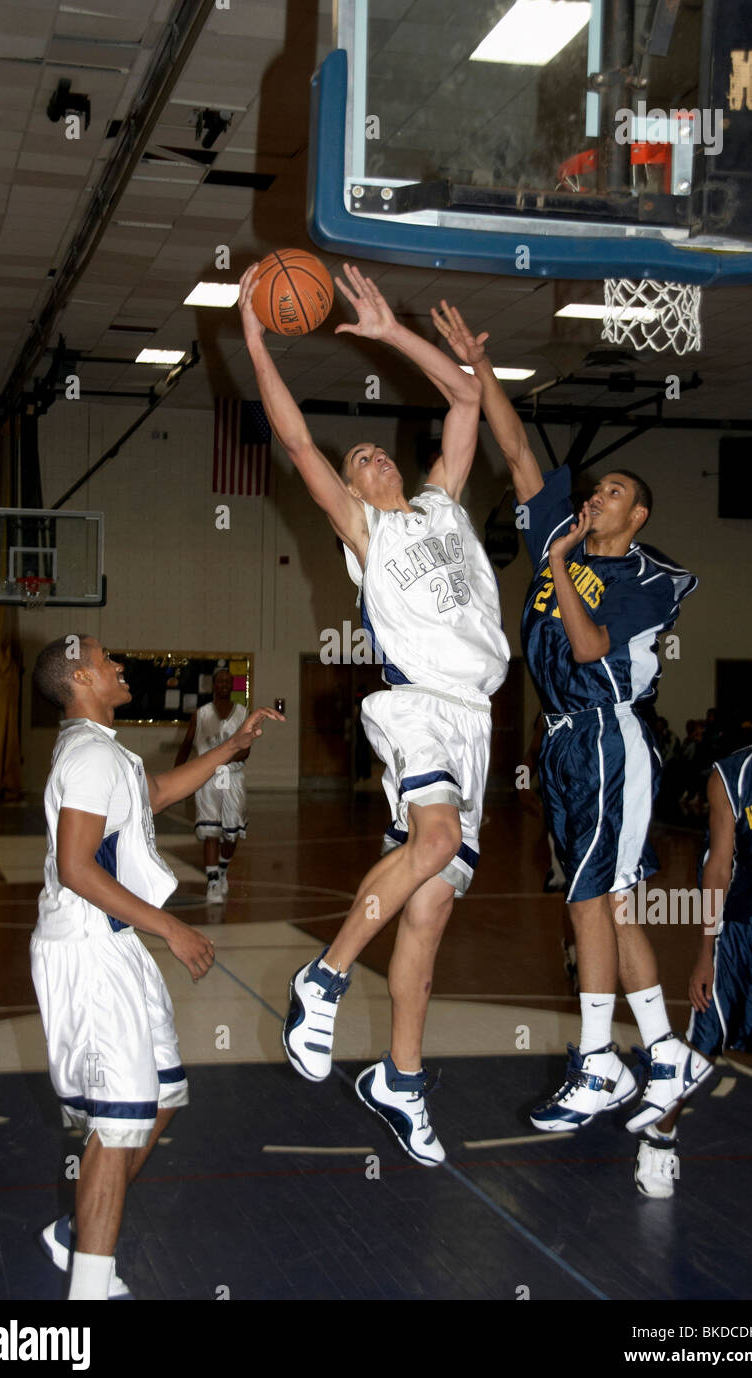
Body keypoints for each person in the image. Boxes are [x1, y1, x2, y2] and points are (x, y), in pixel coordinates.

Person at [239, 262, 509, 1166]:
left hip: (474, 719)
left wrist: (391, 333)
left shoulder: (439, 502)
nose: (373, 458)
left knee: (428, 917)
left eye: (379, 451)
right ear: (351, 492)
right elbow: (295, 440)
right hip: (414, 704)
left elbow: (466, 402)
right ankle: (321, 979)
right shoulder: (368, 533)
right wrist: (251, 340)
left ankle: (399, 1078)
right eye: (359, 461)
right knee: (429, 843)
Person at [433, 302, 712, 1133]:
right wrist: (481, 368)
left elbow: (590, 651)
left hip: (609, 733)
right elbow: (516, 448)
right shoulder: (564, 532)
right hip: (564, 741)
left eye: (614, 491)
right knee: (614, 901)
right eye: (595, 488)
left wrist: (556, 562)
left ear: (639, 517)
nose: (598, 496)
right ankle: (665, 1050)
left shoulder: (648, 575)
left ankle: (598, 1063)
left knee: (589, 899)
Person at [30, 635, 282, 1299]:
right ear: (82, 677)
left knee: (161, 1099)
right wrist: (170, 925)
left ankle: (72, 1233)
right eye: (108, 659)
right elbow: (77, 866)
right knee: (117, 1124)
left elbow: (162, 789)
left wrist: (234, 743)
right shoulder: (86, 756)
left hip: (114, 945)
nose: (119, 666)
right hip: (87, 950)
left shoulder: (103, 752)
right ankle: (88, 1291)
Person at [639, 667, 752, 1235]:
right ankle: (660, 1134)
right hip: (740, 937)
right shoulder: (730, 773)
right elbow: (716, 867)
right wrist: (704, 951)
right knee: (702, 1052)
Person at [174, 666, 249, 903]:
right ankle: (213, 881)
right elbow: (186, 744)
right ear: (213, 685)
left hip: (233, 776)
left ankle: (223, 870)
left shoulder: (243, 713)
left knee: (232, 833)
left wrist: (223, 757)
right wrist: (179, 773)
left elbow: (245, 751)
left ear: (232, 685)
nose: (225, 684)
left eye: (229, 681)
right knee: (211, 831)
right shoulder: (201, 713)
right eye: (221, 681)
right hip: (208, 776)